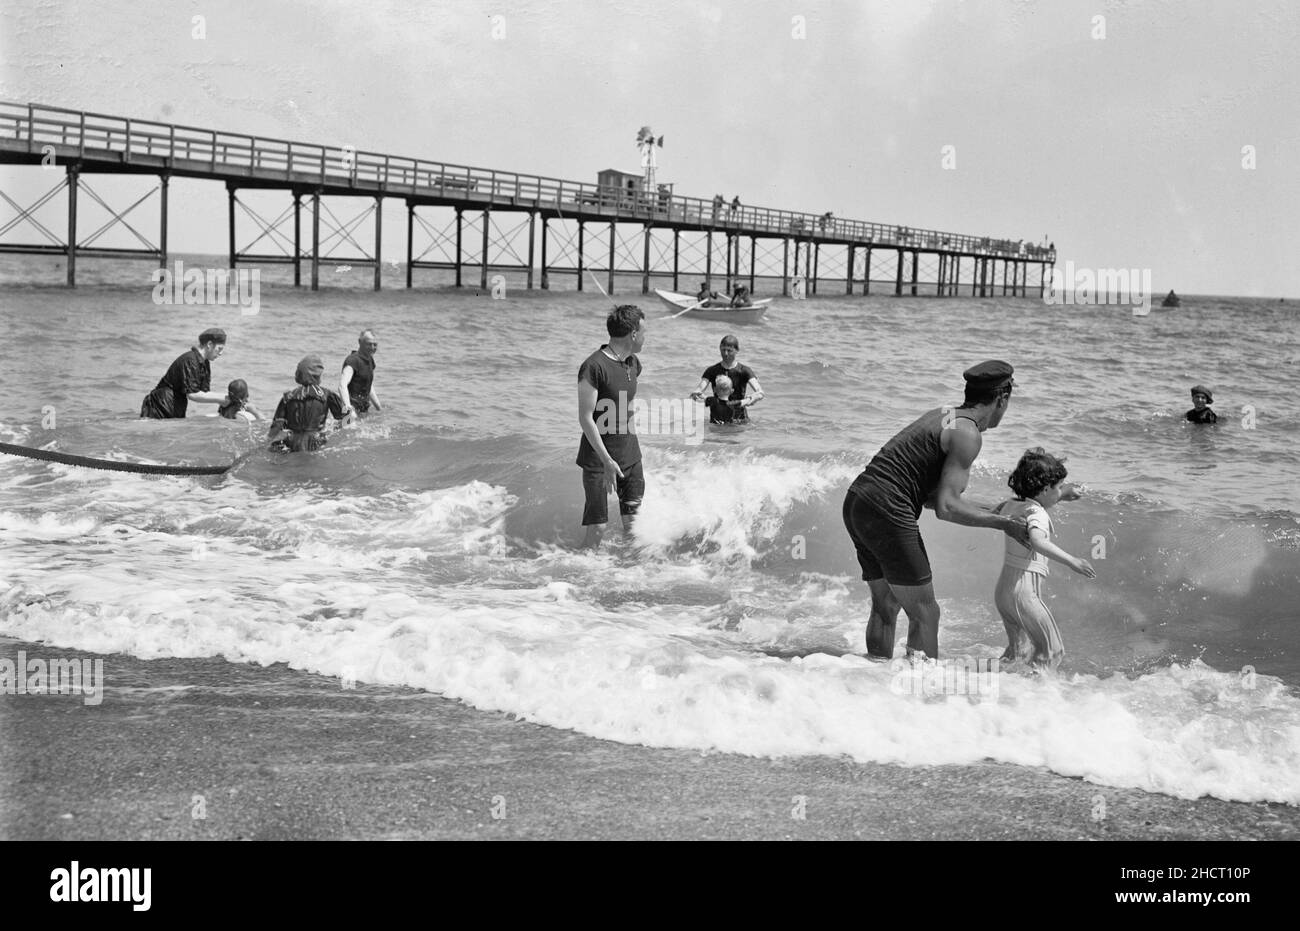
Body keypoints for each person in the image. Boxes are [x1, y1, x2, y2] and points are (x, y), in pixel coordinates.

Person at [842, 361, 1050, 660]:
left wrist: (996, 511)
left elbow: (932, 498)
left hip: (858, 500)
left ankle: (875, 678)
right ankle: (923, 691)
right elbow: (947, 508)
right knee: (927, 614)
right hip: (888, 506)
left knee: (886, 604)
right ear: (1002, 399)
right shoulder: (968, 433)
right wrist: (1005, 525)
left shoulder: (943, 415)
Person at [993, 448, 1096, 671]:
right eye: (1058, 488)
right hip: (1023, 595)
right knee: (1052, 652)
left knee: (1017, 652)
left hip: (1003, 593)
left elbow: (1024, 508)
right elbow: (1038, 541)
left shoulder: (1010, 505)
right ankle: (1033, 699)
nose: (1060, 492)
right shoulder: (1038, 514)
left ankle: (990, 684)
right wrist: (1073, 561)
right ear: (1046, 488)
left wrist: (1061, 495)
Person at [576, 305, 647, 549]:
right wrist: (607, 460)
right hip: (598, 459)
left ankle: (630, 580)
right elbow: (586, 418)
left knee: (634, 527)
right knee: (597, 530)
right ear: (634, 334)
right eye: (644, 332)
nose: (646, 338)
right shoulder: (593, 366)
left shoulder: (633, 363)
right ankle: (578, 578)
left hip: (630, 455)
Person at [140, 328, 230, 419]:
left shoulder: (204, 363)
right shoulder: (190, 360)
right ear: (209, 345)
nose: (221, 353)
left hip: (175, 404)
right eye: (219, 349)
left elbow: (204, 393)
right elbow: (193, 394)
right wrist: (223, 399)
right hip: (160, 405)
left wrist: (226, 399)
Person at [267, 355, 349, 452]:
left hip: (291, 443)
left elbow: (276, 426)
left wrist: (268, 441)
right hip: (316, 443)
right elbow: (348, 418)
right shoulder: (327, 395)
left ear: (300, 374)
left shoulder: (288, 396)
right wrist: (332, 431)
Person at [690, 335, 764, 422]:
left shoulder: (744, 370)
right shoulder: (712, 370)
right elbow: (699, 389)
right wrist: (696, 394)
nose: (725, 353)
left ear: (737, 350)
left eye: (729, 351)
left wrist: (754, 397)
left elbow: (760, 392)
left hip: (739, 419)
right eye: (723, 350)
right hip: (718, 418)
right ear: (720, 349)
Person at [340, 330, 382, 417]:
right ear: (360, 342)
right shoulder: (352, 361)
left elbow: (367, 385)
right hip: (350, 409)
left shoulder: (370, 360)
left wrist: (378, 406)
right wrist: (349, 409)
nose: (372, 347)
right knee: (344, 429)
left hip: (363, 408)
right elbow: (342, 385)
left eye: (375, 344)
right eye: (369, 344)